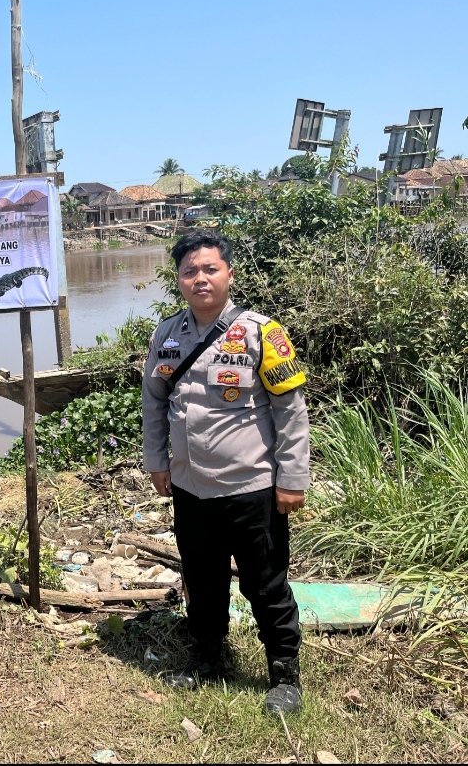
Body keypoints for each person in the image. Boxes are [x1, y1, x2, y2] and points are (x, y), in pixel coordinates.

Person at [141, 231, 310, 715]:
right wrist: (157, 461)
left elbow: (291, 411)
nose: (200, 279)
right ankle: (207, 659)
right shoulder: (166, 335)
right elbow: (154, 402)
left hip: (251, 486)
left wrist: (292, 478)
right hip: (191, 488)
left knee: (265, 583)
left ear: (229, 274)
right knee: (203, 577)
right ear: (178, 280)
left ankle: (284, 674)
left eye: (209, 269)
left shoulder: (262, 333)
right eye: (190, 271)